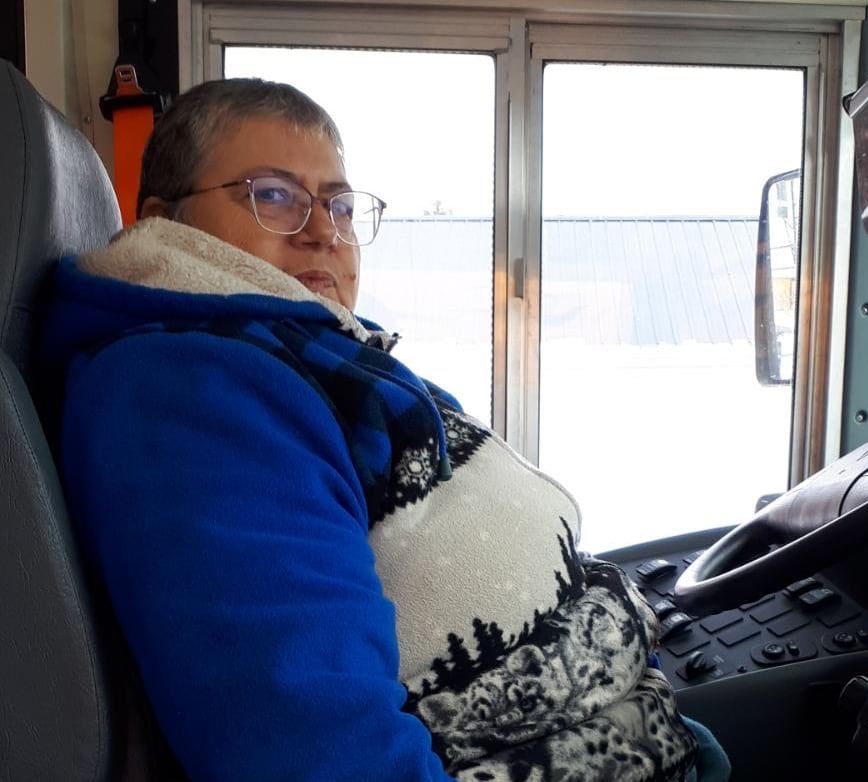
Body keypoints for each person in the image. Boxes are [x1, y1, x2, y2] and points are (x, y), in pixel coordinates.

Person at [45, 79, 731, 782]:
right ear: (166, 222)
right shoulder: (188, 388)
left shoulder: (313, 352)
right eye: (274, 195)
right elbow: (316, 752)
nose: (324, 230)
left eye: (339, 204)